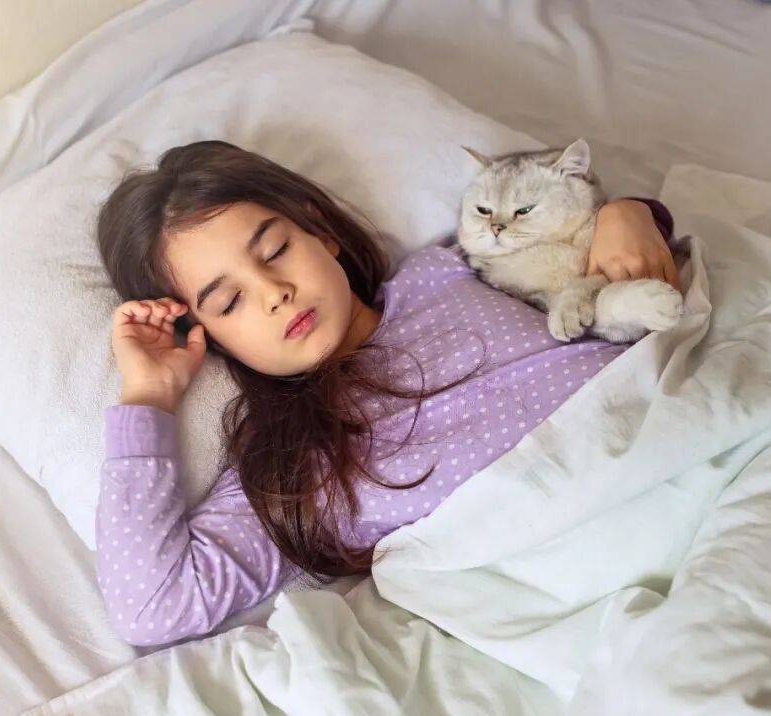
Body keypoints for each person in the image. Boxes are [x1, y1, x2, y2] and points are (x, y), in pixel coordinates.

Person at [95, 139, 678, 646]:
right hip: (609, 567)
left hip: (676, 435)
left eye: (274, 251)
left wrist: (626, 213)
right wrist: (149, 397)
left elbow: (575, 251)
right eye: (229, 302)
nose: (274, 293)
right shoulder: (295, 469)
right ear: (210, 336)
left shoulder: (448, 268)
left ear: (319, 233)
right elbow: (152, 607)